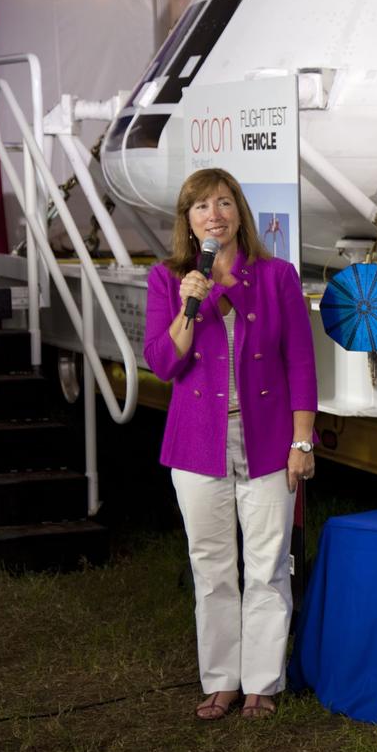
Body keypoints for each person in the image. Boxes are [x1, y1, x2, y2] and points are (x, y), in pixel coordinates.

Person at [144, 168, 318, 721]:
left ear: (239, 212)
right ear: (188, 223)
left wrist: (303, 441)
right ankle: (221, 680)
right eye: (200, 207)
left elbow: (301, 363)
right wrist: (188, 306)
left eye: (222, 203)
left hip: (268, 438)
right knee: (211, 566)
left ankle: (262, 682)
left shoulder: (276, 276)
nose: (212, 214)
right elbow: (164, 362)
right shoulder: (169, 280)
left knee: (268, 565)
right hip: (197, 443)